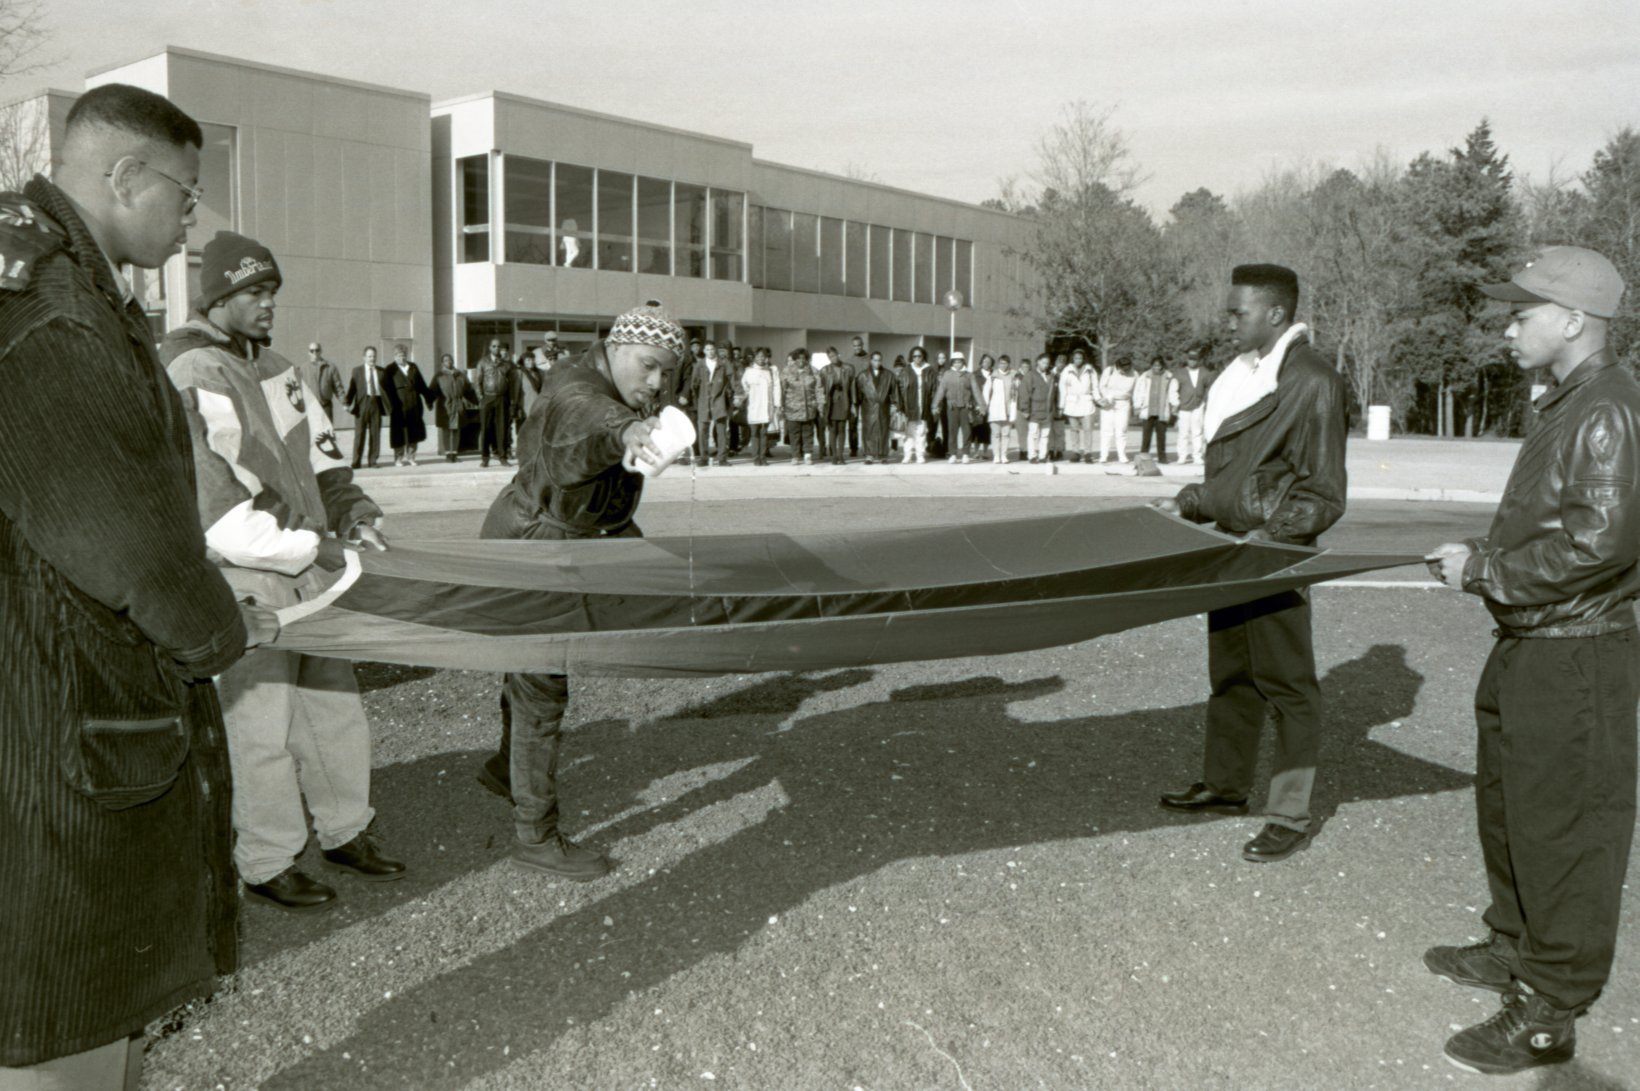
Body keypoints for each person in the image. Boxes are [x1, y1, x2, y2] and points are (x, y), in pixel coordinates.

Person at [0, 82, 271, 1085]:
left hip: (48, 677)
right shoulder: (54, 311)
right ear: (123, 176)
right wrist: (221, 625)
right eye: (186, 194)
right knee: (61, 1007)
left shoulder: (55, 282)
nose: (193, 217)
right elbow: (124, 544)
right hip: (55, 704)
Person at [1424, 247, 1638, 1077]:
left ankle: (1552, 1006)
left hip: (1575, 652)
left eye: (1524, 312)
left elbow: (1601, 543)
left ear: (1575, 320)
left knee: (1569, 829)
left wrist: (1483, 572)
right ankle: (1515, 944)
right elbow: (1558, 526)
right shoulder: (1572, 402)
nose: (1509, 325)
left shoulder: (1610, 409)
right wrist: (1483, 551)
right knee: (1513, 809)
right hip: (1535, 639)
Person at [163, 230, 404, 914]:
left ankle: (345, 827)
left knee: (334, 707)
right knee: (260, 724)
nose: (269, 305)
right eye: (254, 292)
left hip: (310, 564)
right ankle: (268, 858)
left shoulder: (283, 368)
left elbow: (326, 462)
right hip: (249, 569)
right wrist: (313, 548)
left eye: (272, 292)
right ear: (217, 296)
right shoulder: (188, 370)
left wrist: (352, 510)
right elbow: (211, 504)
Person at [476, 300, 681, 880]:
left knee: (525, 674)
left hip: (571, 539)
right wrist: (631, 428)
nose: (657, 382)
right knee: (543, 689)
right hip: (536, 548)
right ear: (616, 349)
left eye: (666, 372)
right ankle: (534, 836)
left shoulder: (613, 382)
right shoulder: (577, 388)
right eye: (647, 366)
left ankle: (502, 768)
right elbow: (585, 416)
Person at [1152, 263, 1346, 863]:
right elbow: (1237, 477)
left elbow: (1322, 493)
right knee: (1232, 676)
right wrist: (1186, 502)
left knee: (1288, 686)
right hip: (1234, 550)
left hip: (1272, 555)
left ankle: (1289, 813)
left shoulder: (1312, 380)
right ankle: (1227, 784)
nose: (1229, 321)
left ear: (1277, 315)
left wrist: (1266, 539)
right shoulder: (1245, 375)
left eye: (1239, 312)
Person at [684, 339, 733, 466]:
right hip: (703, 401)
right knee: (702, 431)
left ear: (715, 350)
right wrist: (697, 399)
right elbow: (694, 384)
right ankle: (704, 458)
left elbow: (731, 379)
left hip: (719, 400)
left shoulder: (723, 363)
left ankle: (722, 458)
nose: (710, 352)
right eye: (707, 350)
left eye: (712, 349)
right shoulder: (699, 364)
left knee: (721, 431)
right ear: (704, 351)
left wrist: (728, 396)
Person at [384, 342, 430, 467]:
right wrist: (389, 406)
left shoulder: (413, 367)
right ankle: (398, 458)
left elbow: (421, 385)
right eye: (399, 355)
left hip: (414, 405)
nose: (402, 357)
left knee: (414, 432)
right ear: (394, 356)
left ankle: (411, 457)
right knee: (398, 433)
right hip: (398, 406)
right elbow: (386, 390)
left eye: (404, 355)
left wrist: (428, 399)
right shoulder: (389, 369)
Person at [932, 351, 980, 463]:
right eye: (955, 362)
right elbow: (940, 391)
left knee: (966, 431)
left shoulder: (969, 375)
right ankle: (953, 453)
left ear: (963, 362)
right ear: (952, 363)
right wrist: (935, 405)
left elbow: (976, 391)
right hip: (952, 407)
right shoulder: (947, 374)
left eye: (960, 362)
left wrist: (981, 405)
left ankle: (965, 454)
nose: (958, 364)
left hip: (966, 407)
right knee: (952, 431)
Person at [345, 345, 387, 469]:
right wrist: (347, 403)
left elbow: (387, 390)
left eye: (374, 356)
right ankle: (356, 461)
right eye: (369, 356)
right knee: (359, 434)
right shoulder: (357, 371)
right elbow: (352, 389)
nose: (372, 359)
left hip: (376, 404)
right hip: (362, 404)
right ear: (364, 358)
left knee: (375, 434)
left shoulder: (381, 371)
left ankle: (373, 461)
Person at [1133, 355, 1179, 463]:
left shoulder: (1169, 377)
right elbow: (1139, 392)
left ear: (1162, 365)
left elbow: (1173, 392)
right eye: (1154, 365)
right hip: (1148, 410)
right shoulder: (1145, 376)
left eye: (1159, 365)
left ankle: (1162, 458)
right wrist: (1137, 406)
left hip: (1161, 411)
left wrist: (1175, 404)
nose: (1156, 367)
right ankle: (1143, 458)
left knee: (1161, 436)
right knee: (1146, 437)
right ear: (1151, 366)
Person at [855, 350, 899, 464]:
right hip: (868, 407)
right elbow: (857, 394)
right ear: (871, 361)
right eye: (875, 360)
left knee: (883, 430)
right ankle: (869, 455)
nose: (877, 362)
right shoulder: (863, 375)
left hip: (884, 407)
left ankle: (883, 454)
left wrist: (894, 405)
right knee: (868, 431)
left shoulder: (889, 375)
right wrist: (856, 407)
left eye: (879, 360)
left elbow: (894, 392)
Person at [433, 352, 477, 462]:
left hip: (458, 406)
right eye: (446, 360)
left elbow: (469, 390)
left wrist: (477, 401)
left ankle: (455, 454)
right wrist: (429, 402)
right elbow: (432, 390)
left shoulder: (460, 375)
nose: (449, 362)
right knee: (447, 430)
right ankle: (448, 454)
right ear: (442, 363)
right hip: (445, 406)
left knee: (456, 430)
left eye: (450, 360)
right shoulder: (439, 376)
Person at [780, 347, 821, 464]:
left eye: (803, 358)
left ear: (807, 359)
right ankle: (795, 455)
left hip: (809, 408)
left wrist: (820, 404)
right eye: (798, 359)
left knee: (808, 433)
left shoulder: (813, 371)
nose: (801, 361)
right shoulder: (786, 371)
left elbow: (819, 389)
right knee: (794, 434)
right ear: (794, 360)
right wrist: (781, 406)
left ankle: (808, 454)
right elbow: (782, 390)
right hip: (792, 408)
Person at [475, 337, 512, 467]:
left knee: (502, 428)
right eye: (494, 346)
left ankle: (502, 457)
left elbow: (511, 383)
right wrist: (481, 397)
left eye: (498, 346)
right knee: (486, 428)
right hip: (487, 397)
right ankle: (485, 457)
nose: (497, 349)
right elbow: (478, 382)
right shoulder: (483, 362)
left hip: (501, 398)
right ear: (490, 348)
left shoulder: (506, 364)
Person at [898, 346, 937, 464]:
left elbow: (935, 389)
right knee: (909, 432)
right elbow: (900, 388)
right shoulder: (906, 370)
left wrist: (934, 405)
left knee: (921, 432)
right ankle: (908, 455)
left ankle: (920, 455)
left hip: (924, 405)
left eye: (919, 356)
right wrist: (900, 406)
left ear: (923, 356)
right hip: (909, 405)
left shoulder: (929, 370)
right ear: (911, 357)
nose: (917, 358)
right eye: (914, 356)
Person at [740, 347, 779, 465]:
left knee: (764, 433)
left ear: (766, 358)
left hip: (767, 406)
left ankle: (763, 457)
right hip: (754, 406)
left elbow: (777, 388)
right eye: (759, 356)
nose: (761, 359)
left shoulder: (771, 371)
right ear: (755, 358)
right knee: (754, 432)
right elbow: (744, 385)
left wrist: (777, 403)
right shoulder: (749, 371)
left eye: (763, 356)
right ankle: (756, 457)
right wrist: (749, 394)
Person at [1174, 347, 1213, 465]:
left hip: (1199, 406)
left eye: (1195, 359)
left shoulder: (1205, 372)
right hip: (1183, 407)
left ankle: (1197, 456)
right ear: (1187, 360)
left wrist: (1205, 402)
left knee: (1197, 432)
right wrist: (1175, 404)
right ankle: (1182, 456)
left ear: (1199, 360)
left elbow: (1209, 388)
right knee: (1183, 432)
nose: (1192, 361)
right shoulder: (1179, 373)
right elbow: (1173, 390)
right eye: (1190, 359)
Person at [1097, 354, 1137, 463]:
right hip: (1109, 403)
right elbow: (1102, 386)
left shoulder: (1134, 374)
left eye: (1127, 369)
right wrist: (1108, 397)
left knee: (1122, 430)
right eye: (1122, 369)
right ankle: (1104, 455)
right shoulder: (1109, 371)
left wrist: (1136, 405)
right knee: (1107, 430)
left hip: (1124, 403)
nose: (1124, 371)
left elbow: (1136, 390)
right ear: (1117, 366)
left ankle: (1122, 455)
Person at [1059, 349, 1097, 463]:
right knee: (1074, 429)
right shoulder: (1067, 370)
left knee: (1087, 429)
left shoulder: (1090, 370)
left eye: (1080, 358)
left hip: (1086, 402)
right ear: (1072, 359)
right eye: (1076, 358)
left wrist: (1098, 399)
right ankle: (1075, 452)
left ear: (1084, 359)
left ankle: (1088, 453)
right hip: (1072, 403)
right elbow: (1062, 388)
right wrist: (1062, 405)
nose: (1078, 360)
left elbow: (1095, 386)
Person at [821, 346, 855, 465]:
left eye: (835, 355)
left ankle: (841, 455)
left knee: (842, 429)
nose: (833, 358)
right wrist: (822, 404)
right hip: (831, 402)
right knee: (832, 429)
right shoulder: (825, 370)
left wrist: (853, 404)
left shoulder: (848, 368)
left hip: (844, 400)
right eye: (830, 356)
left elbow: (852, 387)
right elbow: (821, 389)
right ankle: (834, 456)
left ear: (838, 355)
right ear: (828, 358)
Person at [984, 355, 1020, 464]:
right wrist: (986, 406)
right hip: (996, 410)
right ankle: (996, 455)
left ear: (1009, 364)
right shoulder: (993, 376)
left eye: (1005, 363)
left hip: (1008, 409)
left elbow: (1018, 391)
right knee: (996, 434)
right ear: (998, 364)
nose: (1003, 365)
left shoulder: (1014, 375)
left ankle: (1004, 455)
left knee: (1006, 434)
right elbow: (986, 392)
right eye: (1001, 363)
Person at [1022, 354, 1055, 463]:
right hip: (1034, 409)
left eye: (1047, 363)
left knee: (1045, 434)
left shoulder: (1051, 376)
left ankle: (1042, 456)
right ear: (1037, 362)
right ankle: (1032, 455)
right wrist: (1025, 409)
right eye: (1043, 362)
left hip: (1048, 409)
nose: (1046, 365)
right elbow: (1024, 393)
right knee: (1033, 434)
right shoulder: (1030, 375)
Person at [303, 341, 344, 421]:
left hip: (326, 406)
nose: (314, 352)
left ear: (321, 351)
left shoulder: (330, 367)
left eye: (317, 350)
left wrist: (344, 402)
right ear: (308, 353)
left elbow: (338, 387)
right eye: (312, 351)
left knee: (327, 432)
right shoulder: (303, 369)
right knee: (313, 432)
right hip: (311, 407)